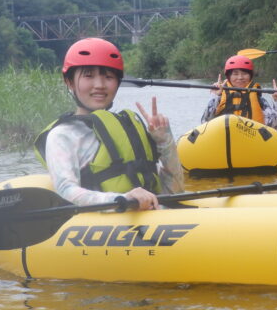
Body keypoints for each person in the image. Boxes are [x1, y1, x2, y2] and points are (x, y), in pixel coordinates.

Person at [34, 37, 184, 209]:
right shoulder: (62, 135)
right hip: (99, 225)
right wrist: (123, 199)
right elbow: (66, 191)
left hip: (151, 220)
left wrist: (165, 141)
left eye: (108, 77)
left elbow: (176, 192)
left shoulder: (128, 130)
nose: (99, 85)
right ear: (69, 82)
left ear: (118, 83)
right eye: (88, 76)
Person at [201, 55, 277, 129]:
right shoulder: (219, 98)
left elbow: (273, 126)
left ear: (250, 76)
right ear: (229, 77)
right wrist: (214, 96)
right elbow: (205, 122)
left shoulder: (260, 100)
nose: (240, 77)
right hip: (222, 140)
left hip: (252, 141)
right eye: (235, 74)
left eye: (244, 73)